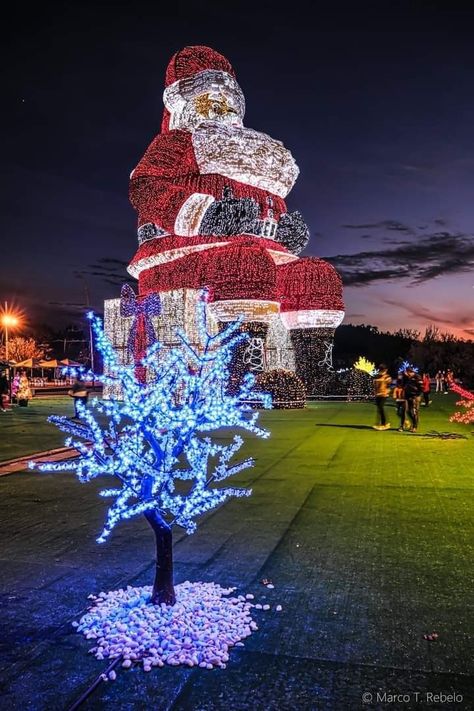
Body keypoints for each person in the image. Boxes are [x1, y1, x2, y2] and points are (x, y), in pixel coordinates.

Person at [403, 366, 423, 432]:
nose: (406, 373)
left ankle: (414, 427)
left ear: (410, 372)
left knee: (414, 412)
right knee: (408, 411)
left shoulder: (417, 377)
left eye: (407, 372)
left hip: (415, 396)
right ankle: (414, 422)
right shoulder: (407, 377)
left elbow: (421, 387)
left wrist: (417, 395)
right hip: (408, 396)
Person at [372, 364, 392, 430]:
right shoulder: (376, 376)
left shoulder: (387, 377)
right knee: (379, 409)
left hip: (384, 394)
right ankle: (380, 423)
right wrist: (375, 392)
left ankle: (384, 424)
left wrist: (386, 392)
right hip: (378, 394)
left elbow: (389, 386)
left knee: (380, 407)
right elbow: (374, 385)